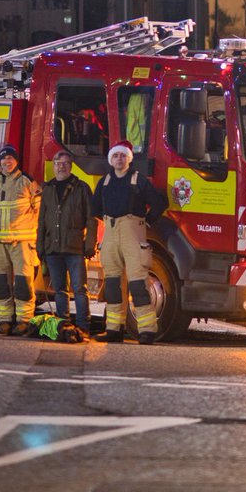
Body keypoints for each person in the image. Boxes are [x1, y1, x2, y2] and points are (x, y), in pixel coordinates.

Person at [90, 139, 167, 344]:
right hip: (111, 234)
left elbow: (160, 202)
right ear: (111, 159)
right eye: (115, 155)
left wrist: (147, 221)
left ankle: (147, 330)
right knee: (113, 285)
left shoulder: (138, 179)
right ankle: (114, 329)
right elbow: (94, 207)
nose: (119, 159)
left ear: (129, 158)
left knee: (138, 284)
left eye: (123, 155)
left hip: (133, 234)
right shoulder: (105, 181)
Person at [37, 149, 95, 337]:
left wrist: (89, 245)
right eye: (57, 163)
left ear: (70, 166)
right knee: (60, 290)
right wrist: (40, 246)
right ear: (53, 166)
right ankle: (64, 324)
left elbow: (91, 218)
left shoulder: (81, 188)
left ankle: (83, 326)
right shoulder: (48, 189)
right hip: (53, 248)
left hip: (75, 247)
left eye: (65, 163)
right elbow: (42, 219)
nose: (61, 167)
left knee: (79, 288)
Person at [0, 145, 40, 335]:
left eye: (10, 158)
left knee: (23, 283)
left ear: (16, 161)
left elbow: (39, 209)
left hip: (22, 241)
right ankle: (5, 320)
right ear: (0, 162)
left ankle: (24, 321)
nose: (7, 162)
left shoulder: (27, 182)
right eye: (3, 158)